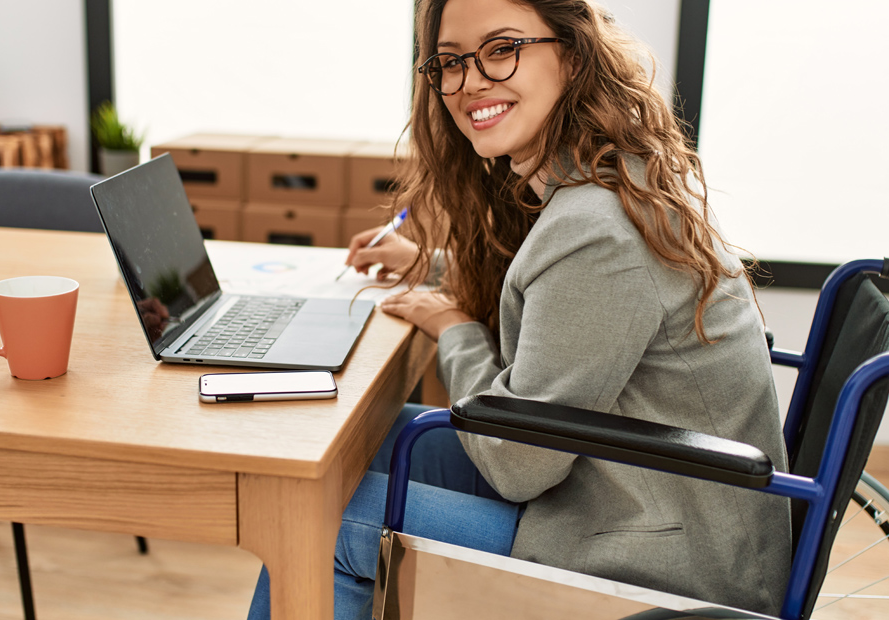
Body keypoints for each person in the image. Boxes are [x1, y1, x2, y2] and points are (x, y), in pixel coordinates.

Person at [248, 0, 792, 617]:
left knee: (316, 522)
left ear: (573, 55)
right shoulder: (606, 184)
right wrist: (431, 266)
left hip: (657, 561)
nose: (470, 81)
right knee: (367, 440)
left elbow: (516, 465)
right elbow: (568, 303)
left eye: (502, 49)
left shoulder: (595, 229)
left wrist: (454, 330)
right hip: (635, 500)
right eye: (451, 62)